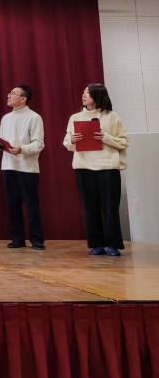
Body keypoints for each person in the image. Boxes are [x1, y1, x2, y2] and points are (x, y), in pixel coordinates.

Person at [63, 83, 128, 256]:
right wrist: (73, 140)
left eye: (88, 93)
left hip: (107, 167)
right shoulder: (75, 117)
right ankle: (96, 244)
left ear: (98, 96)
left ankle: (113, 245)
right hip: (83, 167)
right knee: (90, 208)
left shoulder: (112, 116)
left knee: (110, 208)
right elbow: (67, 143)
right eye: (84, 93)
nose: (84, 96)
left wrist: (105, 137)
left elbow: (123, 142)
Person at [0, 85, 46, 250]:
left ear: (23, 98)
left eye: (13, 94)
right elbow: (1, 140)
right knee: (13, 205)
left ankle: (37, 240)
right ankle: (17, 239)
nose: (8, 96)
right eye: (9, 93)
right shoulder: (6, 118)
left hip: (27, 168)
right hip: (9, 166)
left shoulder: (34, 117)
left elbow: (39, 144)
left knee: (31, 205)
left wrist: (21, 149)